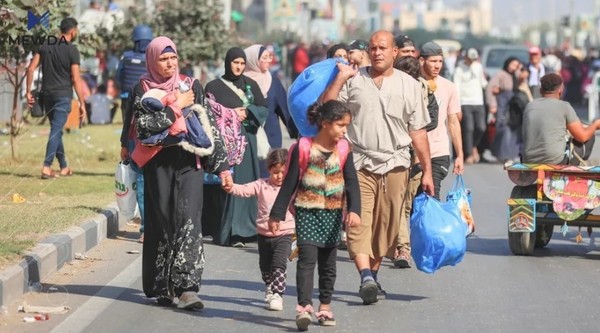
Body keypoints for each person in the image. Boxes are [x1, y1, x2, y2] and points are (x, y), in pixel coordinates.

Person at [322, 30, 434, 305]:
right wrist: (339, 78)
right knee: (358, 221)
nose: (377, 52)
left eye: (383, 47)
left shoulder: (410, 85)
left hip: (396, 164)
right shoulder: (354, 80)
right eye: (372, 48)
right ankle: (365, 276)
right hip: (358, 163)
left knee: (386, 227)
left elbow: (418, 132)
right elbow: (327, 107)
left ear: (395, 52)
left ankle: (371, 276)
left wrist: (428, 171)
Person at [128, 36, 231, 309]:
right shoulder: (143, 89)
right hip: (158, 165)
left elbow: (208, 124)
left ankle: (187, 288)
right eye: (163, 59)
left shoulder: (191, 85)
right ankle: (163, 286)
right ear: (152, 60)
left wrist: (222, 167)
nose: (169, 63)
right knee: (162, 224)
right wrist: (177, 106)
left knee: (188, 220)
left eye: (172, 57)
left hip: (189, 164)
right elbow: (144, 127)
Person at [269, 100, 361, 330]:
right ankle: (304, 307)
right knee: (307, 260)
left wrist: (355, 210)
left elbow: (351, 183)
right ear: (325, 124)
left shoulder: (343, 150)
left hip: (332, 215)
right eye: (340, 125)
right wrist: (276, 214)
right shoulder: (303, 147)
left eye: (346, 126)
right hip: (306, 212)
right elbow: (290, 182)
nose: (344, 131)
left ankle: (325, 307)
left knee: (329, 264)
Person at [203, 47, 269, 247]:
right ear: (228, 62)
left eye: (242, 63)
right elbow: (208, 112)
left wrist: (248, 112)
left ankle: (246, 230)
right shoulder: (214, 86)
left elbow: (263, 109)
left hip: (246, 141)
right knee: (224, 184)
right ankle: (226, 231)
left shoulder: (251, 85)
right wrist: (231, 114)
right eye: (235, 63)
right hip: (223, 143)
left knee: (246, 183)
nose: (239, 67)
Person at [222, 149, 294, 312]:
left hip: (285, 233)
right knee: (265, 265)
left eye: (283, 172)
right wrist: (230, 187)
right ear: (269, 169)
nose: (280, 176)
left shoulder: (291, 188)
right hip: (264, 234)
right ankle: (269, 285)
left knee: (278, 264)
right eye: (276, 172)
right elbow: (244, 190)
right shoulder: (262, 185)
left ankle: (277, 294)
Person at [25, 17, 87, 179]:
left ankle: (64, 167)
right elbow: (75, 78)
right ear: (73, 31)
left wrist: (28, 92)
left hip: (47, 96)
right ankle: (46, 167)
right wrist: (82, 103)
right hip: (62, 96)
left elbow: (31, 69)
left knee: (56, 130)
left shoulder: (45, 45)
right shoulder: (72, 50)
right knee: (56, 130)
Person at [243, 44, 298, 177]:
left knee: (269, 175)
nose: (269, 60)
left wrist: (297, 134)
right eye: (265, 57)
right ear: (253, 60)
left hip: (271, 136)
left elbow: (285, 110)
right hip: (247, 136)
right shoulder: (241, 81)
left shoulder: (273, 82)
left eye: (270, 57)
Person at [522, 73, 600, 165]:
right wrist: (595, 125)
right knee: (589, 135)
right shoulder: (564, 106)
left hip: (528, 159)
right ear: (561, 90)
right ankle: (578, 164)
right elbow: (582, 137)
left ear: (540, 90)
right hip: (555, 160)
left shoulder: (530, 106)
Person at [419, 41, 464, 197]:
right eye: (433, 61)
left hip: (439, 152)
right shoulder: (412, 84)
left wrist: (459, 155)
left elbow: (453, 122)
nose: (437, 65)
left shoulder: (449, 87)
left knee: (432, 194)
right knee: (414, 200)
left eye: (439, 61)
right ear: (422, 61)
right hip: (416, 154)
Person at [453, 48, 488, 164]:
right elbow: (456, 87)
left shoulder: (478, 67)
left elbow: (483, 83)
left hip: (478, 101)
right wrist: (457, 104)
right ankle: (468, 153)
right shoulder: (459, 69)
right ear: (465, 57)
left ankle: (474, 146)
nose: (472, 61)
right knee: (469, 128)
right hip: (465, 101)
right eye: (470, 58)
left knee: (481, 127)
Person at [486, 57, 522, 163]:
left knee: (512, 130)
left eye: (516, 65)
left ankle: (510, 154)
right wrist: (492, 104)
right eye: (512, 64)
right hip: (502, 105)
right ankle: (502, 154)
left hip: (513, 107)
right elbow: (490, 88)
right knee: (503, 128)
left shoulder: (516, 76)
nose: (514, 67)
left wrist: (519, 70)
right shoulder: (500, 74)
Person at [117, 24, 153, 122]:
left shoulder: (126, 57)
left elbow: (119, 76)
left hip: (126, 95)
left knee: (127, 124)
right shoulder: (152, 57)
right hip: (146, 96)